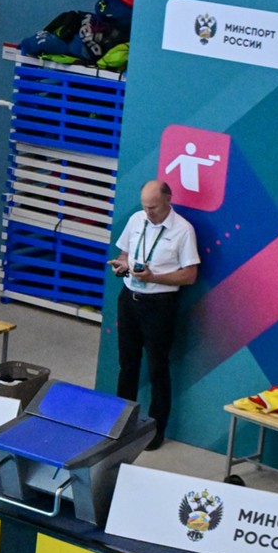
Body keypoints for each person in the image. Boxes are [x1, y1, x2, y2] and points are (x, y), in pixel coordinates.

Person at [110, 179, 200, 450]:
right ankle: (120, 423)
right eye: (145, 207)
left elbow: (190, 275)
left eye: (154, 207)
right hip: (129, 299)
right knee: (127, 364)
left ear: (168, 201)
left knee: (157, 368)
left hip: (159, 304)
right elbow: (124, 253)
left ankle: (155, 430)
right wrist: (121, 265)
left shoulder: (183, 230)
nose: (148, 213)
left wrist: (154, 277)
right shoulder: (137, 220)